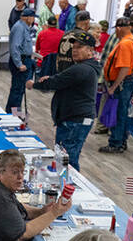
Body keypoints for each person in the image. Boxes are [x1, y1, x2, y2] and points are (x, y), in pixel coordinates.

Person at [29, 30, 100, 170]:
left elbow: (58, 81)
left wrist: (34, 84)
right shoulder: (83, 67)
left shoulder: (82, 69)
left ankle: (71, 188)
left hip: (75, 120)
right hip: (74, 118)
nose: (74, 51)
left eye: (80, 47)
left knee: (67, 160)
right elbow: (62, 79)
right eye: (73, 48)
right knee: (66, 157)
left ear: (90, 50)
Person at [98, 17, 133, 154]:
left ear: (118, 28)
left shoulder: (124, 44)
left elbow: (124, 67)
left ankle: (115, 143)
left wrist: (113, 86)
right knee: (123, 112)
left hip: (122, 82)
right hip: (130, 79)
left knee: (118, 112)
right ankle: (122, 141)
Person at [7, 8, 36, 112]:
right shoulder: (19, 28)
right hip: (21, 61)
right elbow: (15, 47)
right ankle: (13, 115)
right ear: (28, 17)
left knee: (19, 90)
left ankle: (14, 113)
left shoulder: (24, 27)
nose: (34, 20)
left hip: (25, 59)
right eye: (33, 17)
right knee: (17, 90)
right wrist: (19, 64)